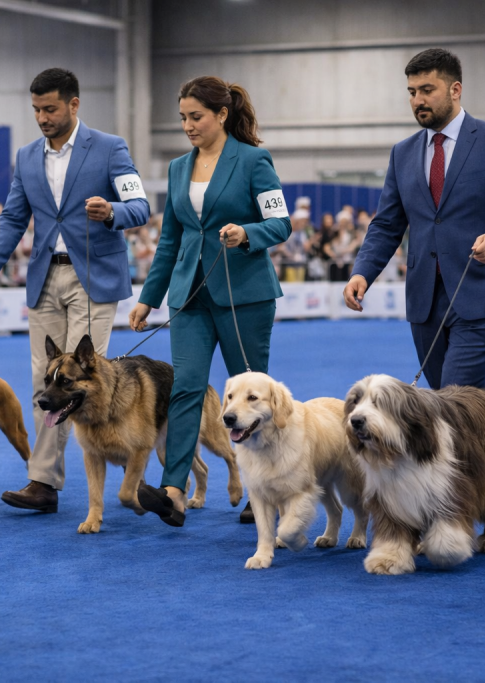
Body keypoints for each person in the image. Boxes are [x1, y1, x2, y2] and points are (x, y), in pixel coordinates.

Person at [0, 68, 151, 514]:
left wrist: (112, 210)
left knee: (81, 380)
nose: (42, 117)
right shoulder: (27, 155)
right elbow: (14, 218)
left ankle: (132, 464)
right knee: (45, 381)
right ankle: (44, 482)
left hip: (92, 276)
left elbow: (140, 207)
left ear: (74, 105)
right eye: (36, 109)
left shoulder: (110, 148)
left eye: (50, 108)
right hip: (42, 279)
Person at [129, 76, 291, 526]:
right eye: (182, 118)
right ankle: (174, 491)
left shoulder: (255, 160)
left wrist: (247, 234)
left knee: (256, 399)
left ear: (221, 115)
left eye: (195, 116)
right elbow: (169, 241)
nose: (187, 126)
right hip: (189, 296)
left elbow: (280, 222)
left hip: (246, 297)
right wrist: (149, 298)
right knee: (186, 389)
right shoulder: (179, 168)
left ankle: (268, 492)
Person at [344, 48, 485, 392]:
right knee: (446, 406)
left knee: (454, 399)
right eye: (412, 92)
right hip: (424, 303)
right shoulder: (401, 153)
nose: (418, 99)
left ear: (455, 90)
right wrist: (362, 271)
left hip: (482, 295)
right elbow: (387, 225)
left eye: (427, 90)